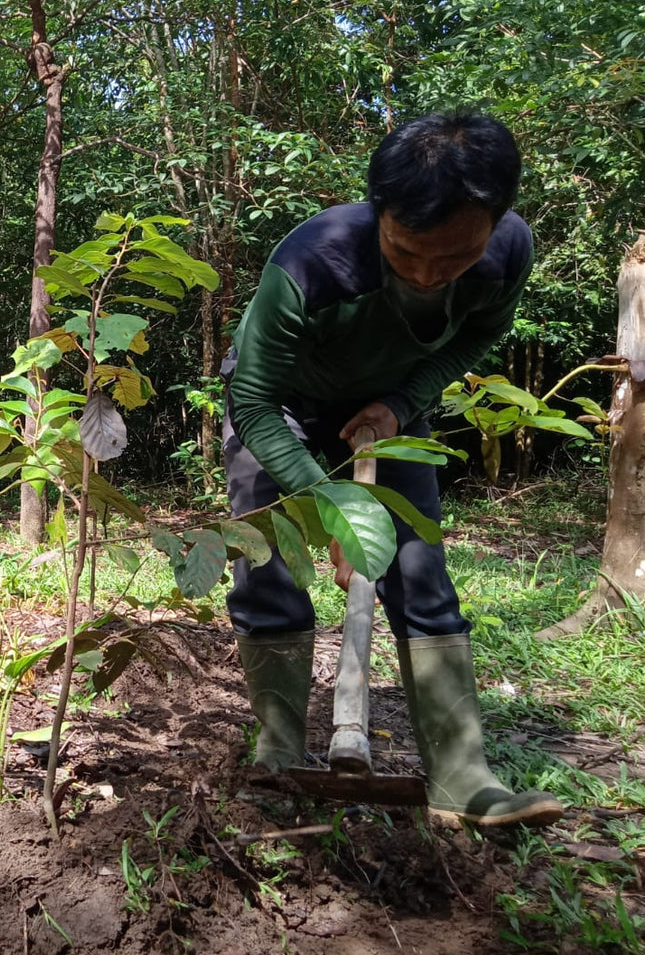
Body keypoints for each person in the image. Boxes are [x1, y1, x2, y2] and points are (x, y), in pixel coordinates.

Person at [223, 111, 563, 828]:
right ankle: (280, 751)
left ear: (494, 223)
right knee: (267, 559)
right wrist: (334, 514)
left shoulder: (507, 251)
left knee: (415, 568)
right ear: (378, 213)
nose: (427, 273)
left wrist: (400, 402)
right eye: (407, 253)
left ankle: (460, 776)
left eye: (452, 258)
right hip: (278, 402)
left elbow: (476, 336)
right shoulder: (311, 262)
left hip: (388, 402)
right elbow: (250, 400)